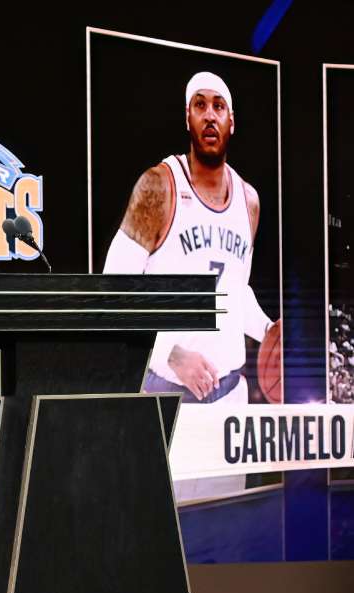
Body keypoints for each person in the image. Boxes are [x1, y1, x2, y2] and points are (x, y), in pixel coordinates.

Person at [101, 72, 278, 500]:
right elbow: (113, 290)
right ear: (188, 118)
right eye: (200, 105)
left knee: (226, 536)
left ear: (232, 121)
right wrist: (169, 352)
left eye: (219, 106)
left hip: (231, 402)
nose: (210, 115)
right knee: (167, 540)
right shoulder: (159, 186)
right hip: (167, 398)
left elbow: (236, 290)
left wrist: (269, 330)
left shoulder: (249, 201)